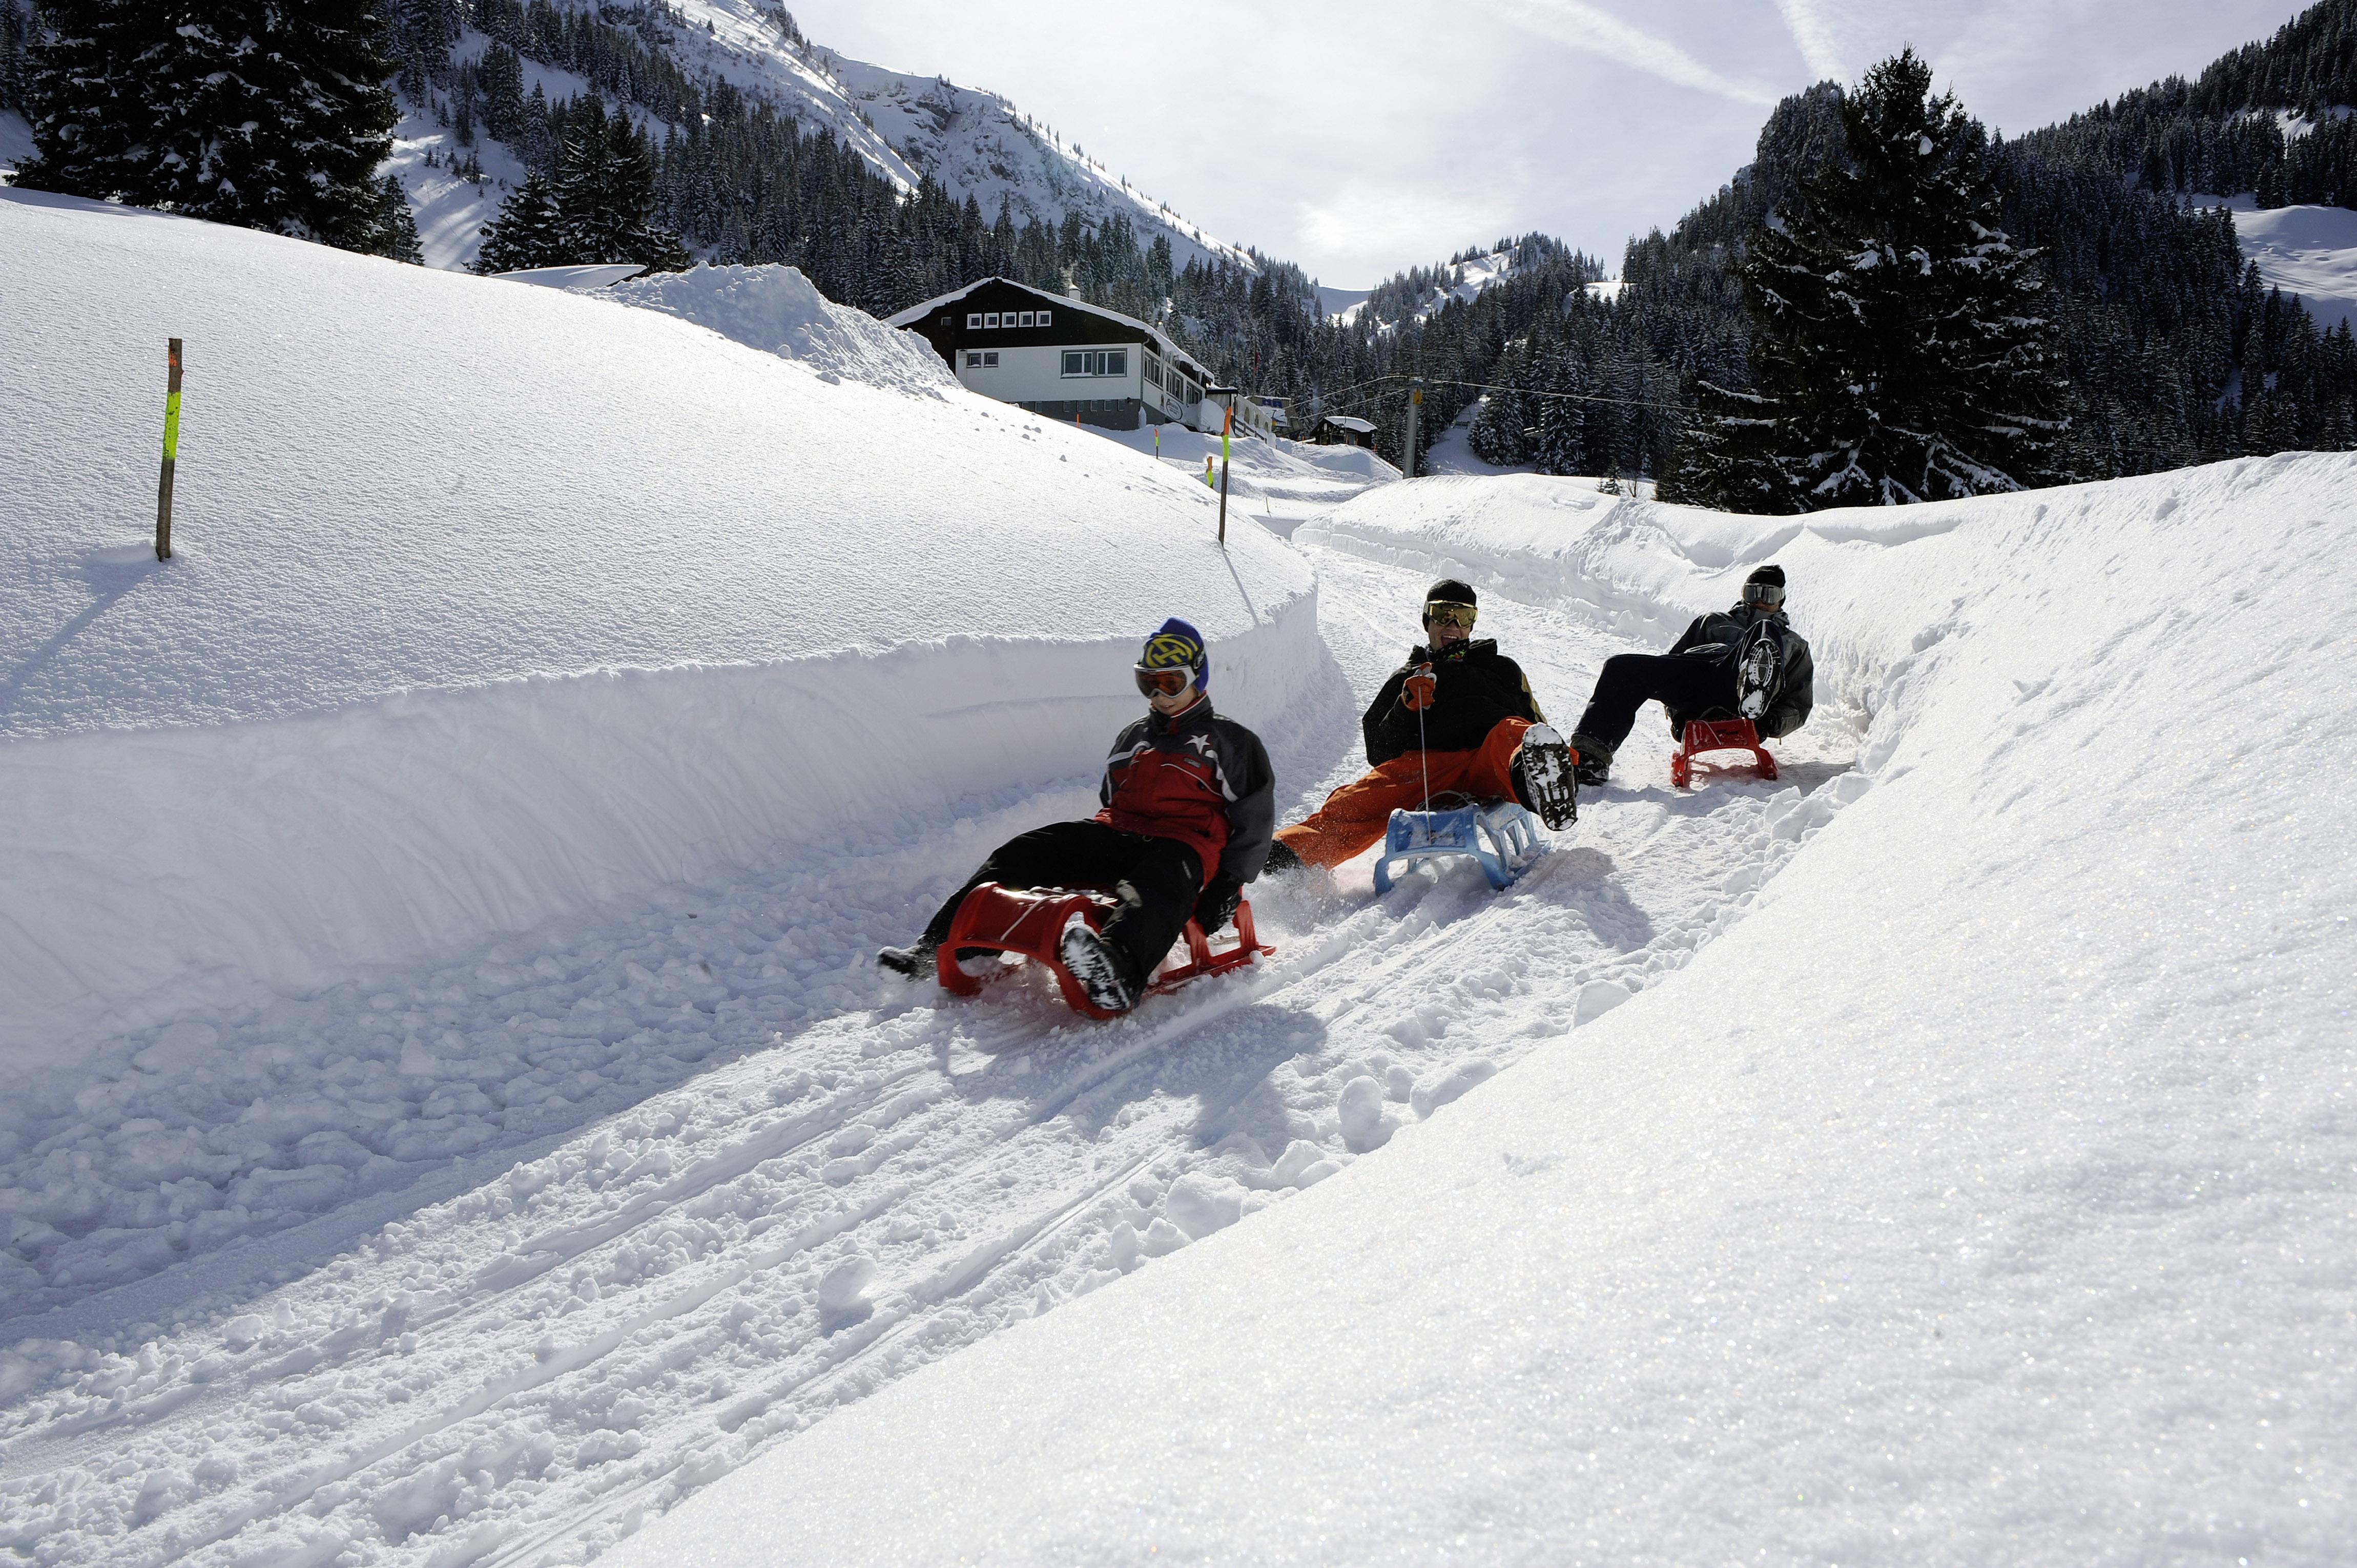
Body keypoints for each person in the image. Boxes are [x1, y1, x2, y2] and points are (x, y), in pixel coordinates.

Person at [877, 618, 1275, 1014]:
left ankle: (1117, 969)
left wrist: (1228, 883)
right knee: (1027, 850)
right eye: (1147, 682)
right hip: (1117, 831)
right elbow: (1112, 795)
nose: (1158, 693)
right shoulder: (1133, 737)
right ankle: (934, 948)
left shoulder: (1231, 742)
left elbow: (1254, 818)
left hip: (1184, 846)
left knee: (1158, 884)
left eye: (1170, 683)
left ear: (1198, 677)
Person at [1263, 580, 1578, 872]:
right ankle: (1283, 859)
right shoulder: (1407, 678)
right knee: (1356, 801)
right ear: (1427, 620)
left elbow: (1535, 726)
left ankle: (1542, 785)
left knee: (1511, 731)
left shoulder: (1501, 669)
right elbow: (1379, 752)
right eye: (1443, 614)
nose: (1452, 624)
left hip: (1490, 761)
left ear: (1472, 623)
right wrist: (1405, 708)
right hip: (1429, 769)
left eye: (1463, 615)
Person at [1565, 563, 1814, 784]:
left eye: (1769, 595)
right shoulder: (1713, 620)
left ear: (1781, 600)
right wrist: (1680, 715)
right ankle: (1590, 759)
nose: (1760, 601)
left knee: (1764, 630)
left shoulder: (1794, 644)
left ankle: (1754, 682)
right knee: (1620, 668)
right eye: (1753, 592)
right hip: (1702, 674)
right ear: (1743, 594)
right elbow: (1674, 662)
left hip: (1742, 694)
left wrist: (1770, 722)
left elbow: (1798, 704)